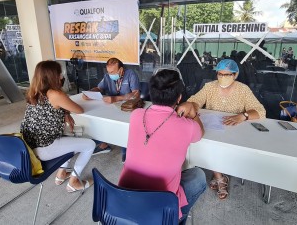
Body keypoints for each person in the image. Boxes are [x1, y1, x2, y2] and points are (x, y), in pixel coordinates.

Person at [118, 68, 206, 224]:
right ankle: (176, 219)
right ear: (179, 98)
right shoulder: (187, 126)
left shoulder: (136, 115)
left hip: (125, 199)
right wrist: (193, 113)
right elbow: (200, 133)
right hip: (159, 206)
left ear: (152, 93)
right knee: (199, 176)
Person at [177, 59, 266, 200]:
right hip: (213, 129)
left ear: (235, 75)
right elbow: (195, 100)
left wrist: (244, 115)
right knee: (207, 144)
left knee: (223, 150)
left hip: (234, 131)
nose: (223, 78)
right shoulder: (210, 87)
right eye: (220, 74)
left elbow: (261, 111)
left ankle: (219, 175)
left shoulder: (243, 90)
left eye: (227, 75)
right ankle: (219, 176)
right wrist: (191, 107)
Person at [20, 60, 96, 192]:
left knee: (70, 137)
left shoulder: (34, 92)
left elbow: (53, 109)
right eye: (59, 73)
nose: (62, 76)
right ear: (52, 76)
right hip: (45, 148)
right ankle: (74, 182)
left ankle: (61, 175)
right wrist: (66, 109)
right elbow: (79, 110)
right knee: (89, 145)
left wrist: (65, 112)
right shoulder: (55, 94)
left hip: (28, 146)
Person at [82, 57, 140, 162]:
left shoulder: (131, 74)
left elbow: (136, 94)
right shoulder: (107, 76)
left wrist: (116, 98)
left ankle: (125, 151)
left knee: (125, 127)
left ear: (121, 70)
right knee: (100, 120)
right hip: (110, 106)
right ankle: (104, 144)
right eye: (108, 72)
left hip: (126, 107)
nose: (110, 74)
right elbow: (99, 88)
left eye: (112, 72)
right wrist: (90, 92)